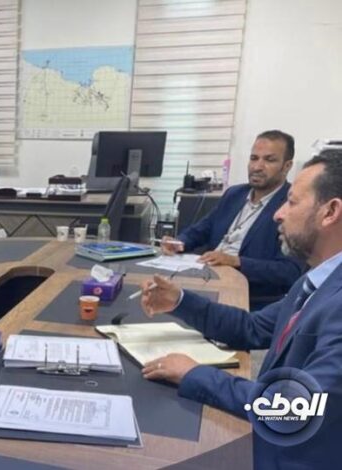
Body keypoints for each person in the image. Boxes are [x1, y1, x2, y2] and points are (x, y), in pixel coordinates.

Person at [141, 149, 342, 469]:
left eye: (291, 202)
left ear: (330, 212)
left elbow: (296, 410)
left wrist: (196, 374)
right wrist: (178, 300)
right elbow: (252, 327)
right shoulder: (318, 279)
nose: (278, 214)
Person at [162, 130, 303, 309]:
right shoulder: (234, 194)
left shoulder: (291, 206)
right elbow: (203, 228)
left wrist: (236, 261)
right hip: (207, 277)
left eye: (269, 160)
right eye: (254, 158)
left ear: (286, 166)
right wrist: (179, 242)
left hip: (246, 294)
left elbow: (289, 271)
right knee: (157, 295)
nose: (257, 167)